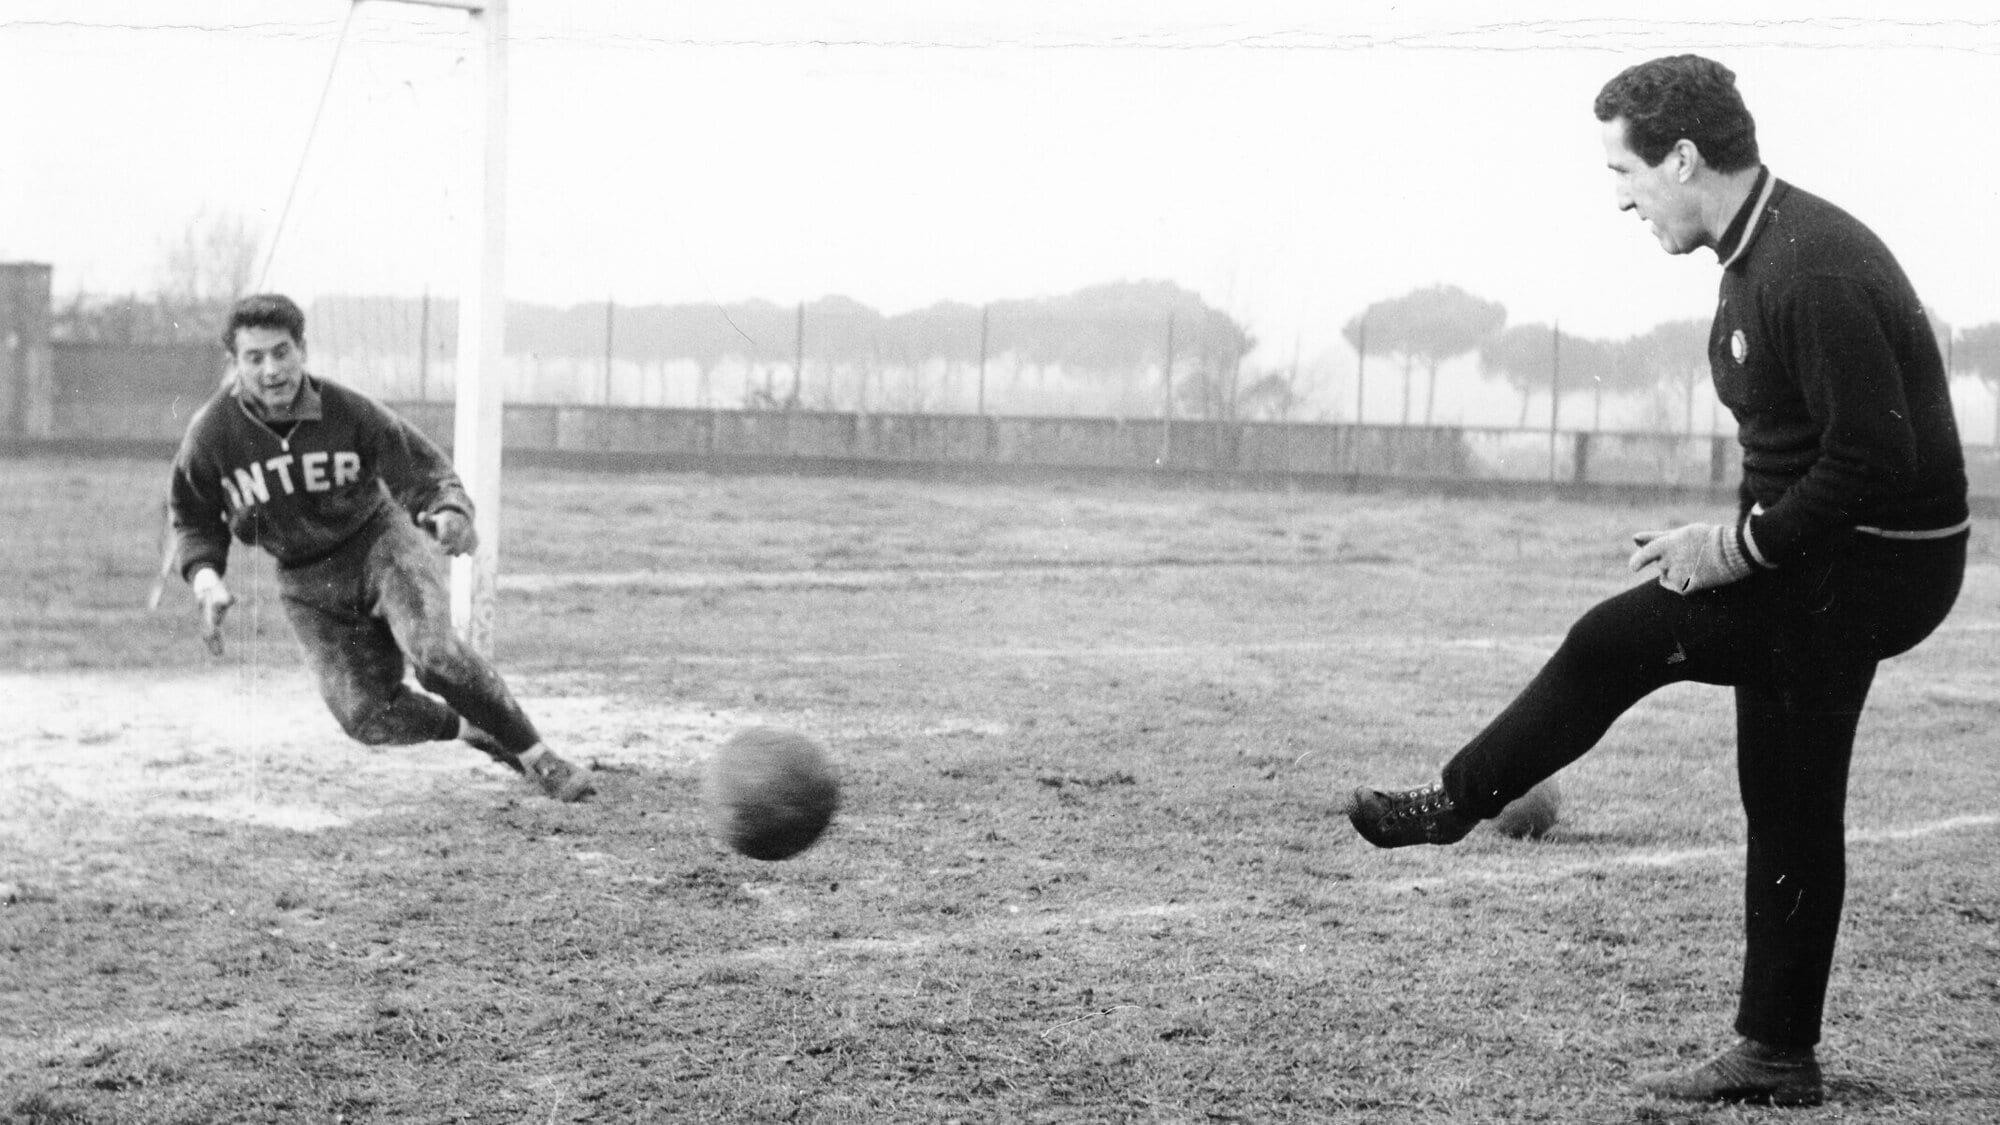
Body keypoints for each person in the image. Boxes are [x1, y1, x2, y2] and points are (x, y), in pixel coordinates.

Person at [1346, 55, 1969, 1108]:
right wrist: (1726, 535)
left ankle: (1452, 803)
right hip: (1831, 557)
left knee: (1619, 639)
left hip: (1878, 564)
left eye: (1624, 171)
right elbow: (1787, 449)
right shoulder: (1755, 250)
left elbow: (1873, 457)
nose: (1621, 198)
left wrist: (1735, 550)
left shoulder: (1808, 266)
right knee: (1787, 795)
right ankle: (1776, 1054)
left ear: (1682, 157)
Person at [169, 293, 594, 803]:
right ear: (235, 363)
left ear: (303, 350)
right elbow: (192, 517)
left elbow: (427, 472)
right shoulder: (212, 434)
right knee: (366, 717)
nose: (271, 370)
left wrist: (450, 512)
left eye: (281, 352)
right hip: (306, 579)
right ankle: (477, 730)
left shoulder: (347, 411)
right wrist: (207, 581)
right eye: (254, 358)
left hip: (378, 545)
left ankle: (539, 757)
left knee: (435, 655)